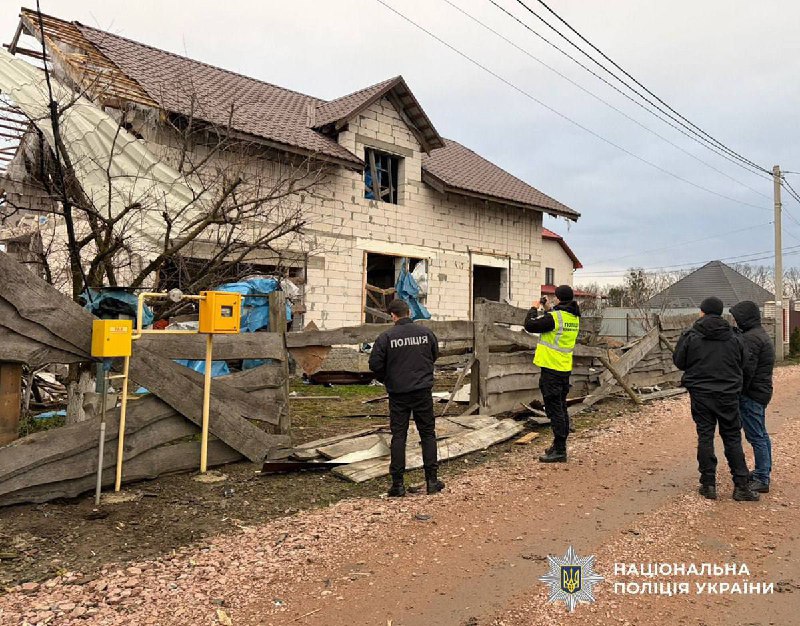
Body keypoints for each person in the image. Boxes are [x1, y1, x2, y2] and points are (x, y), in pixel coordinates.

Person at [673, 297, 759, 501]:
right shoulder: (735, 336)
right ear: (721, 313)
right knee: (732, 437)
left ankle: (708, 484)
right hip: (728, 394)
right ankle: (741, 486)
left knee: (705, 435)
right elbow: (744, 362)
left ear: (702, 312)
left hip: (701, 394)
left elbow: (679, 362)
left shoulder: (691, 335)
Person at [368, 299, 443, 497]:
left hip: (398, 392)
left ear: (393, 316)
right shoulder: (426, 333)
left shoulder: (386, 337)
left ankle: (398, 484)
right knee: (427, 434)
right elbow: (434, 355)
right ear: (409, 312)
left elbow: (375, 364)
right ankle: (432, 481)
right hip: (422, 391)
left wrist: (387, 378)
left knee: (399, 436)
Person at [524, 285, 581, 463]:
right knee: (561, 407)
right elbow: (556, 321)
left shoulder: (555, 318)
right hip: (563, 368)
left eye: (555, 297)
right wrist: (548, 308)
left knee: (554, 409)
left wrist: (534, 308)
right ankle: (558, 445)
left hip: (551, 369)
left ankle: (560, 450)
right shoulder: (573, 316)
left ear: (559, 298)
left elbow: (530, 325)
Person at [730, 300, 775, 493]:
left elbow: (746, 370)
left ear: (744, 318)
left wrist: (736, 390)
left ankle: (762, 478)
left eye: (736, 317)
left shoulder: (751, 339)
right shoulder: (758, 334)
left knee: (756, 436)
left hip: (752, 394)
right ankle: (763, 471)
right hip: (761, 391)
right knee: (761, 434)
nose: (735, 321)